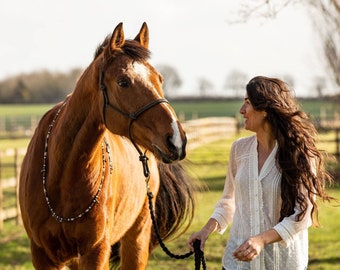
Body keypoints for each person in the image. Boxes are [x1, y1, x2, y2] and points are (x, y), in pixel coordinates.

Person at [187, 76, 334, 269]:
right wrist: (206, 230)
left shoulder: (300, 155)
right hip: (237, 263)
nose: (241, 110)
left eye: (247, 102)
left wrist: (261, 240)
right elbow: (228, 201)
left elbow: (303, 215)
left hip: (283, 263)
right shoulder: (238, 150)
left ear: (265, 109)